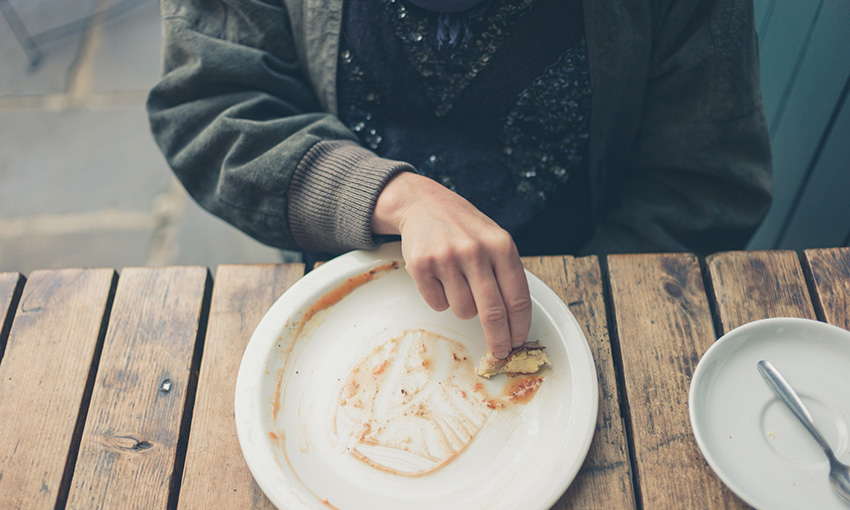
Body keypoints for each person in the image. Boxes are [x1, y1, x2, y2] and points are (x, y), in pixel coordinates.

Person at [147, 0, 772, 358]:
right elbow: (211, 104)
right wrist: (390, 195)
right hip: (338, 280)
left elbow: (703, 181)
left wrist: (571, 318)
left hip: (581, 300)